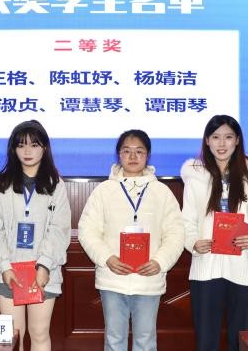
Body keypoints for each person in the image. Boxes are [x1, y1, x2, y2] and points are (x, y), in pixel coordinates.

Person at [78, 129, 184, 351]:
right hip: (112, 279)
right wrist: (107, 258)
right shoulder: (103, 191)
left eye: (139, 151)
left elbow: (176, 233)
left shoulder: (162, 192)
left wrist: (160, 262)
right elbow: (87, 230)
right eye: (127, 151)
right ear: (119, 155)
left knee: (145, 341)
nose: (133, 156)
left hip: (149, 280)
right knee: (114, 340)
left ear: (148, 155)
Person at [181, 114, 248, 351]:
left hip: (243, 267)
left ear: (238, 140)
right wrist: (193, 242)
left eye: (228, 137)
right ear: (207, 141)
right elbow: (187, 221)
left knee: (240, 341)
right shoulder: (195, 177)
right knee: (206, 341)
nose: (222, 144)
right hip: (206, 268)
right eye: (215, 137)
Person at [0, 120, 71, 351]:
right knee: (14, 335)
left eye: (34, 145)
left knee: (39, 332)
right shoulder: (0, 184)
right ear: (13, 149)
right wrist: (4, 266)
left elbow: (59, 229)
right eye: (21, 145)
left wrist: (44, 265)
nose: (27, 151)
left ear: (45, 148)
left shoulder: (55, 185)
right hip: (7, 270)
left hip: (44, 271)